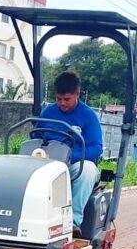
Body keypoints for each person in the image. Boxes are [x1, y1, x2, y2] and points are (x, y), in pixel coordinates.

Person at [37, 71, 102, 234]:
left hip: (75, 166)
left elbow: (96, 147)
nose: (62, 103)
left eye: (66, 99)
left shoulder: (88, 116)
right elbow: (36, 137)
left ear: (77, 94)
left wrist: (72, 156)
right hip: (48, 163)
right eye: (58, 99)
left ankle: (72, 222)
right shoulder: (47, 113)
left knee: (87, 171)